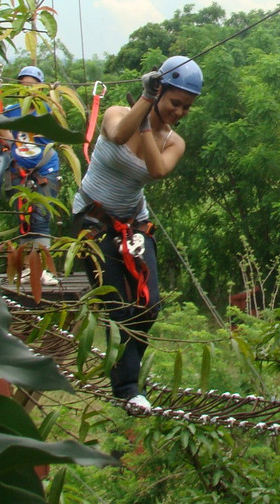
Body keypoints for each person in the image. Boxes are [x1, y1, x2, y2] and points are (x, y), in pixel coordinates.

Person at [71, 55, 202, 409]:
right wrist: (144, 105)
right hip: (93, 219)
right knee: (118, 304)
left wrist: (148, 126)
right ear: (159, 92)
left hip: (133, 222)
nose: (179, 112)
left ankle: (129, 376)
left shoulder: (173, 142)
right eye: (175, 103)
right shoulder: (116, 112)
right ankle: (127, 388)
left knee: (149, 304)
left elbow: (157, 171)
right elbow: (115, 133)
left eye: (186, 108)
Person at [3, 65, 61, 285]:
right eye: (23, 85)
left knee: (41, 215)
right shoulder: (10, 110)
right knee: (23, 218)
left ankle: (41, 268)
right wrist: (11, 145)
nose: (27, 90)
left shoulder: (48, 109)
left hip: (45, 168)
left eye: (32, 86)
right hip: (19, 169)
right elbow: (1, 127)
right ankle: (27, 268)